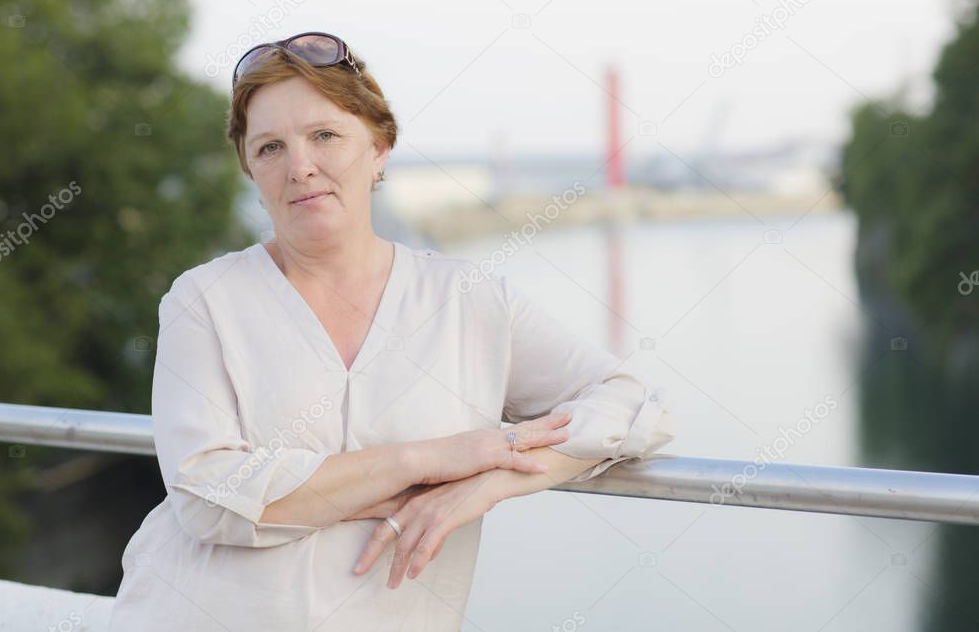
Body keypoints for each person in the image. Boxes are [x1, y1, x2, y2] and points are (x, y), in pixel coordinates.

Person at [109, 31, 676, 631]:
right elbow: (204, 496)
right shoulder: (204, 300)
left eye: (324, 135)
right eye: (270, 147)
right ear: (250, 167)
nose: (300, 167)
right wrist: (425, 460)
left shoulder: (468, 300)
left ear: (379, 147)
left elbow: (635, 405)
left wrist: (487, 483)